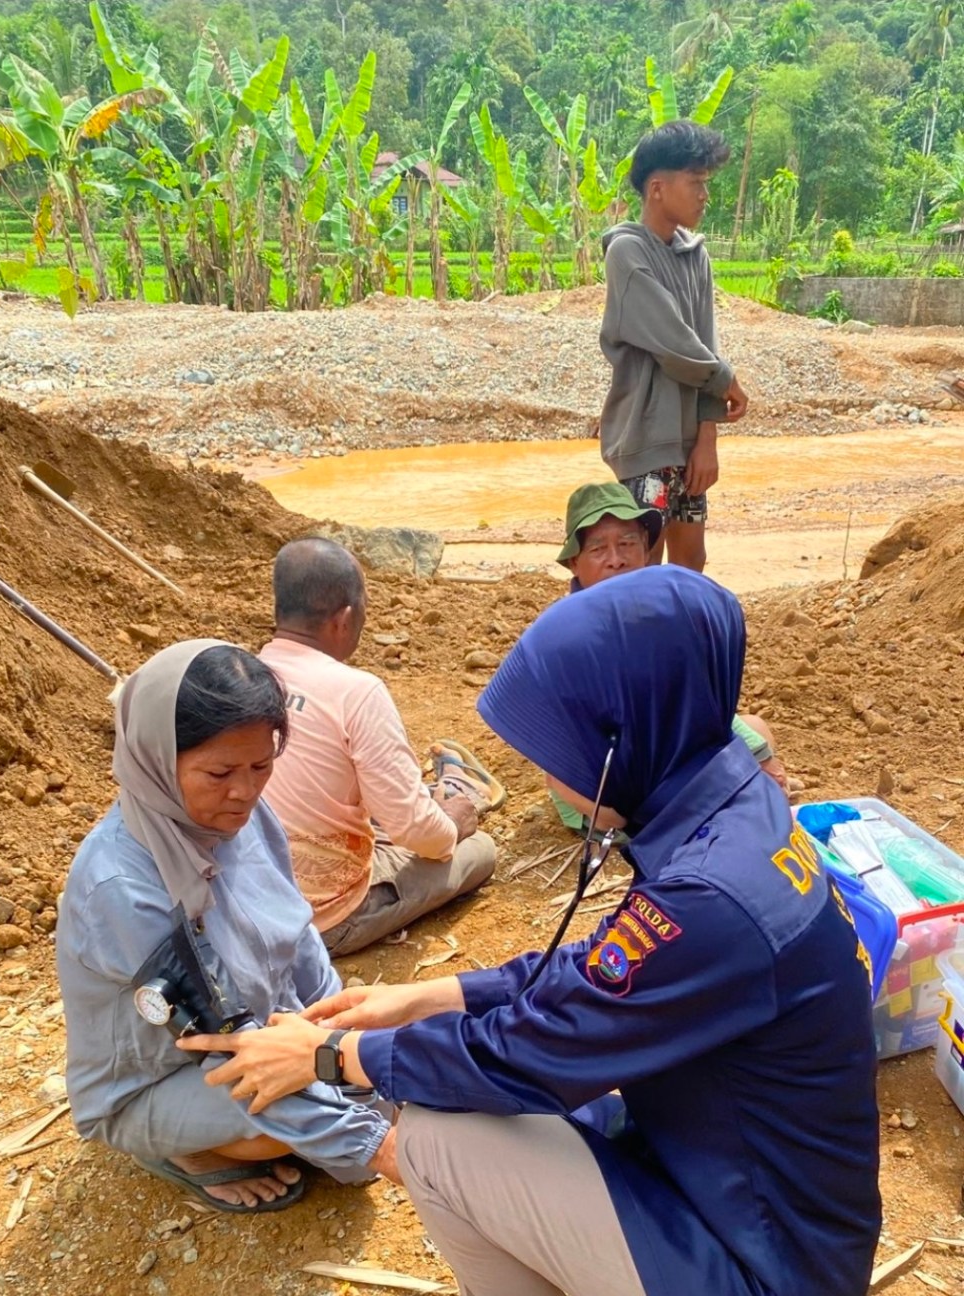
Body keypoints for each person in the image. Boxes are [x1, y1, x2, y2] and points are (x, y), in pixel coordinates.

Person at [178, 569, 881, 1296]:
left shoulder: (711, 895)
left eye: (555, 745)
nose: (545, 772)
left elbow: (531, 1055)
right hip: (729, 1186)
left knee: (435, 1136)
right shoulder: (732, 815)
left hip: (761, 1262)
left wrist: (332, 1054)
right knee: (458, 1105)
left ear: (619, 735)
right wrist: (428, 996)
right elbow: (608, 971)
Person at [56, 639, 395, 1214]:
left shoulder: (242, 816)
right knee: (345, 1138)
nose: (244, 791)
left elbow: (299, 937)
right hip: (167, 1078)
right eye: (218, 772)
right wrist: (384, 1150)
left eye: (261, 766)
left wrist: (342, 1032)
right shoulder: (122, 889)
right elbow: (227, 1043)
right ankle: (190, 1152)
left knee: (371, 1083)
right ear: (156, 759)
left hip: (260, 1033)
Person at [260, 538, 497, 956]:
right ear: (346, 618)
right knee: (479, 850)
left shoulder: (242, 675)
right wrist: (455, 825)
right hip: (323, 920)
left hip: (248, 907)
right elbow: (418, 833)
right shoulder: (356, 692)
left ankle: (438, 796)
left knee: (374, 808)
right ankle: (456, 794)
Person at [556, 480, 788, 804]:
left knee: (755, 728)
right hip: (608, 782)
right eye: (598, 550)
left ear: (645, 549)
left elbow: (701, 703)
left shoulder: (659, 615)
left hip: (665, 752)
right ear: (574, 563)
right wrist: (758, 762)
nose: (616, 559)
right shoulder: (568, 632)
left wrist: (759, 755)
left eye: (627, 544)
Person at [599, 119, 749, 573]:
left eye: (706, 183)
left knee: (691, 562)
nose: (705, 195)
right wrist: (727, 380)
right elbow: (675, 344)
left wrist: (708, 438)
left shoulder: (695, 254)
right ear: (658, 188)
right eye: (696, 182)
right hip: (646, 438)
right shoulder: (626, 253)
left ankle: (682, 646)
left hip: (689, 443)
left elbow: (706, 340)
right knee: (644, 563)